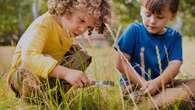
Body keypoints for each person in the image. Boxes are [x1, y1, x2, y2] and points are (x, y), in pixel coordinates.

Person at [7, 0, 111, 104]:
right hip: (21, 75)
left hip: (45, 78)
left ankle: (54, 96)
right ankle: (30, 101)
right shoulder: (43, 24)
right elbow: (29, 58)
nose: (82, 30)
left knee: (80, 54)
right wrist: (66, 73)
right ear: (67, 8)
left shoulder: (67, 30)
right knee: (31, 70)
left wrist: (79, 78)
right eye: (81, 20)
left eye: (88, 27)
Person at [115, 0, 194, 108]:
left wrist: (157, 83)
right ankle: (152, 104)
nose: (152, 21)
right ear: (141, 10)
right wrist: (145, 84)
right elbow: (121, 63)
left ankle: (169, 99)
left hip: (162, 85)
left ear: (172, 16)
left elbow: (175, 64)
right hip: (135, 86)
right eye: (148, 15)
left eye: (159, 17)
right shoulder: (134, 30)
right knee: (180, 96)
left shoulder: (175, 37)